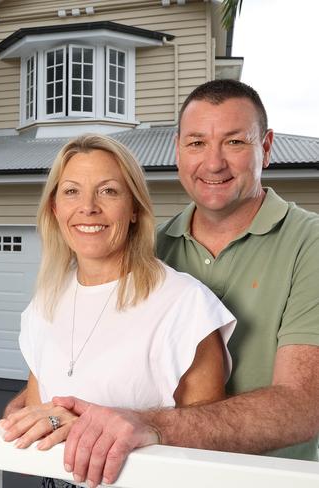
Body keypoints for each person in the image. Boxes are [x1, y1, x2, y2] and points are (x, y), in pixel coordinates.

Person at [45, 79, 319, 486]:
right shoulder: (150, 250)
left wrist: (152, 425)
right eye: (196, 143)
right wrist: (37, 411)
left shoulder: (309, 244)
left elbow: (304, 406)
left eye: (234, 142)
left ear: (265, 147)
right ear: (177, 149)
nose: (213, 163)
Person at [0, 134, 236, 488]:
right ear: (54, 208)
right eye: (71, 191)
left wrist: (90, 431)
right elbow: (37, 427)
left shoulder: (185, 305)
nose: (88, 207)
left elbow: (208, 447)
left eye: (108, 191)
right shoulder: (43, 305)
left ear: (135, 208)